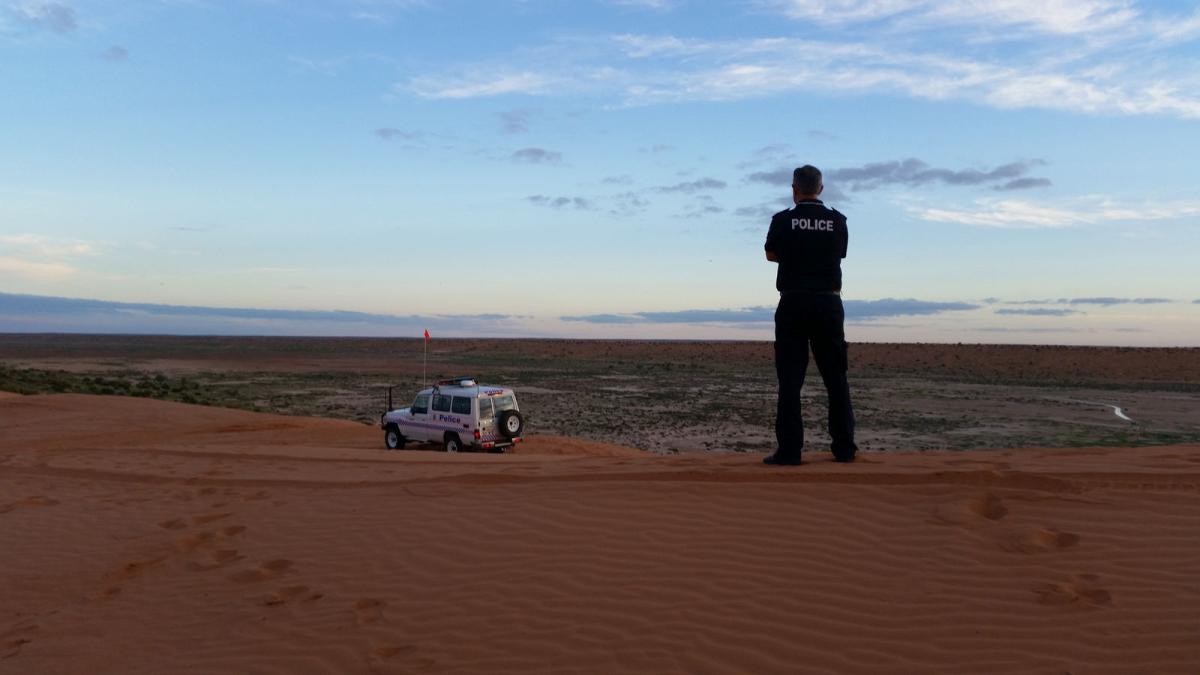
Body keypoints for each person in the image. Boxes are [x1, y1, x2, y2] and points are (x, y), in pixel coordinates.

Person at [763, 165, 858, 465]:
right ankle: (843, 448)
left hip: (792, 303)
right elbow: (839, 252)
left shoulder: (783, 220)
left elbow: (770, 254)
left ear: (794, 189)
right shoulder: (837, 220)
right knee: (836, 378)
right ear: (821, 188)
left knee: (790, 380)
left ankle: (790, 451)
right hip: (828, 304)